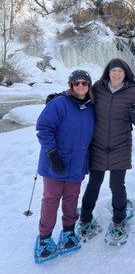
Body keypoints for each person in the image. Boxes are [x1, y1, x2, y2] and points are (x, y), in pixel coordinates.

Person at [77, 58, 135, 243]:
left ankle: (119, 220)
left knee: (116, 184)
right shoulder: (98, 88)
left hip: (120, 144)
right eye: (113, 70)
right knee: (94, 182)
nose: (116, 74)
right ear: (108, 72)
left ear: (125, 74)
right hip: (97, 144)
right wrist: (60, 97)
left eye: (120, 71)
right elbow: (79, 95)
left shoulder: (132, 92)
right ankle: (85, 217)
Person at [34, 70, 94, 263]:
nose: (81, 86)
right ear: (71, 85)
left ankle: (68, 231)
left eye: (84, 83)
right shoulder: (59, 104)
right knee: (51, 199)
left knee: (71, 198)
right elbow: (43, 127)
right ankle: (44, 237)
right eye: (76, 83)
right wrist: (51, 153)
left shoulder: (91, 106)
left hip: (76, 163)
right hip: (56, 161)